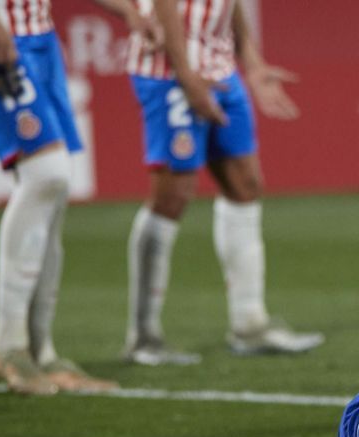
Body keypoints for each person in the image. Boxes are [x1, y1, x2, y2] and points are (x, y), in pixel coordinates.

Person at [0, 0, 150, 393]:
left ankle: (40, 351)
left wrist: (126, 10)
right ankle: (9, 345)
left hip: (40, 38)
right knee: (47, 175)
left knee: (54, 195)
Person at [123, 0, 323, 365]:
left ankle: (249, 323)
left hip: (221, 69)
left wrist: (253, 61)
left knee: (245, 185)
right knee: (172, 195)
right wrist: (185, 74)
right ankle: (143, 335)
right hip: (169, 69)